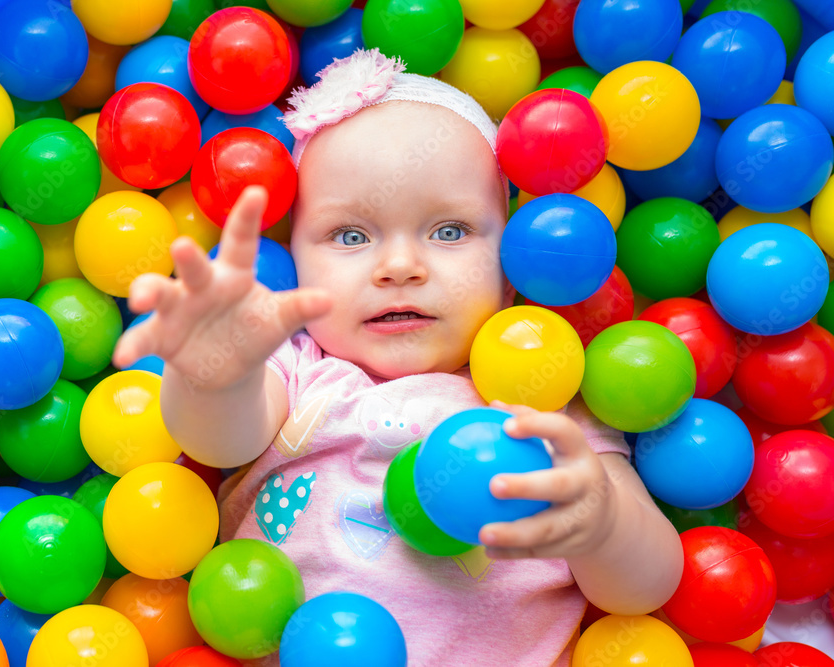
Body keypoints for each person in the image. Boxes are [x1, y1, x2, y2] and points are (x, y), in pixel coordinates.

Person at [113, 49, 683, 666]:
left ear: (514, 260)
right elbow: (220, 440)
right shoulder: (298, 370)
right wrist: (212, 370)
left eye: (449, 231)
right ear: (293, 260)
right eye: (351, 236)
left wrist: (601, 526)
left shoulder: (542, 400)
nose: (401, 267)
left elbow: (646, 587)